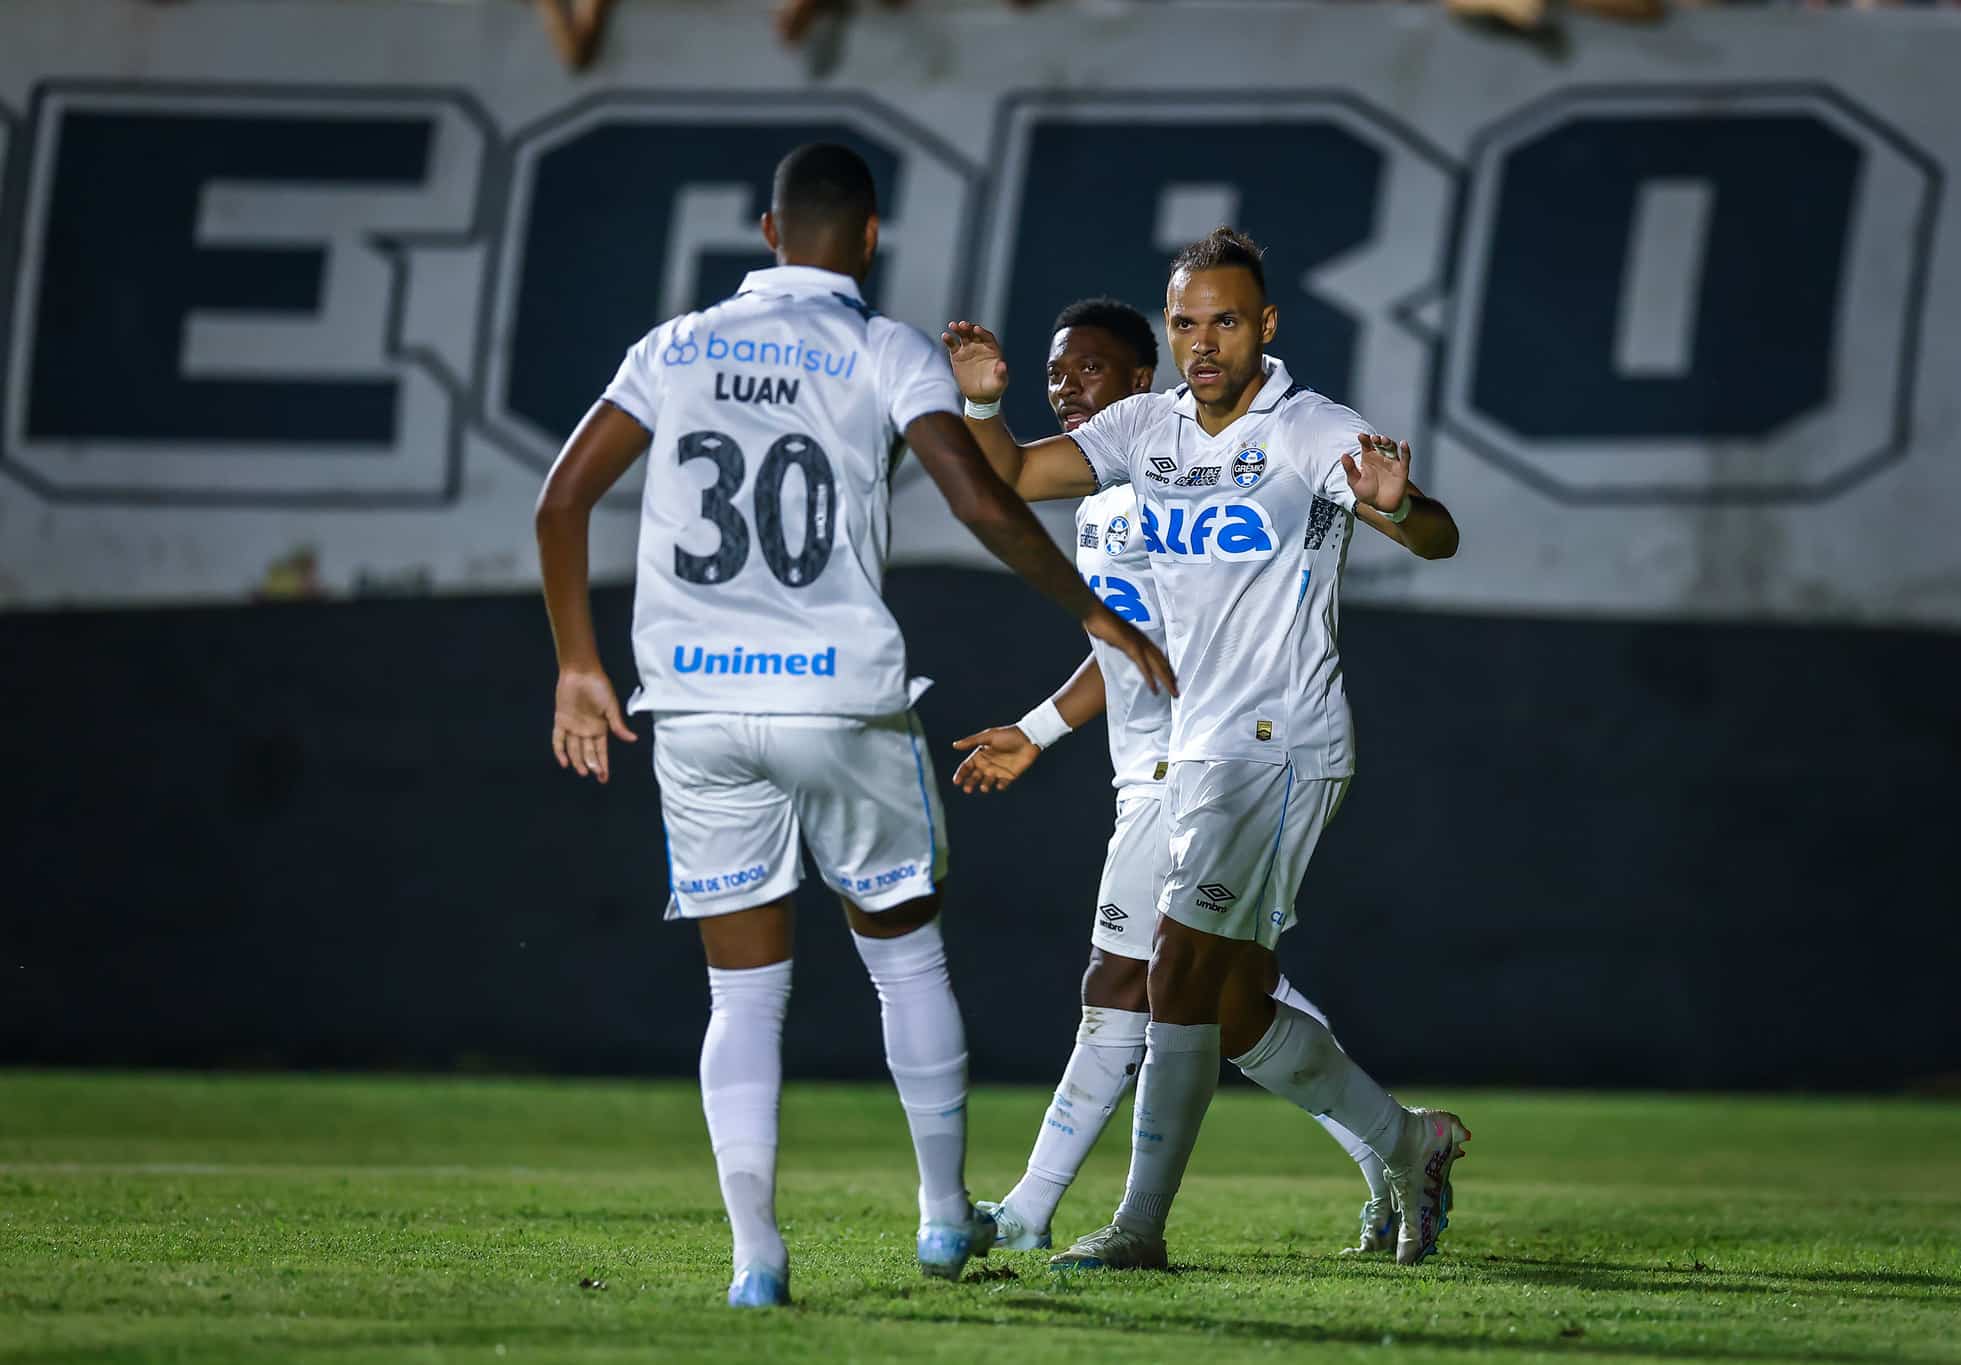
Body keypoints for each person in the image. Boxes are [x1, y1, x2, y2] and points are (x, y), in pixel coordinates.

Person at [533, 143, 1174, 1309]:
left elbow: (563, 497)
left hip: (696, 701)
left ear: (768, 235)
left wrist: (579, 663)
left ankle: (755, 1262)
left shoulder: (673, 348)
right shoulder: (884, 351)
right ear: (868, 238)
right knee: (905, 958)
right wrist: (1092, 612)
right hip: (839, 698)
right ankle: (940, 1217)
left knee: (741, 998)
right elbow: (983, 498)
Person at [940, 227, 1469, 1270]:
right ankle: (1409, 1142)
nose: (1202, 342)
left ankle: (1135, 1226)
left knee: (1172, 973)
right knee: (1230, 1008)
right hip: (1194, 753)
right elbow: (1004, 474)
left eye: (1224, 320)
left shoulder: (1310, 429)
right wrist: (980, 402)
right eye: (1185, 321)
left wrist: (1395, 505)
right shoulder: (1145, 428)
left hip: (1278, 743)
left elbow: (1435, 534)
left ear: (1262, 326)